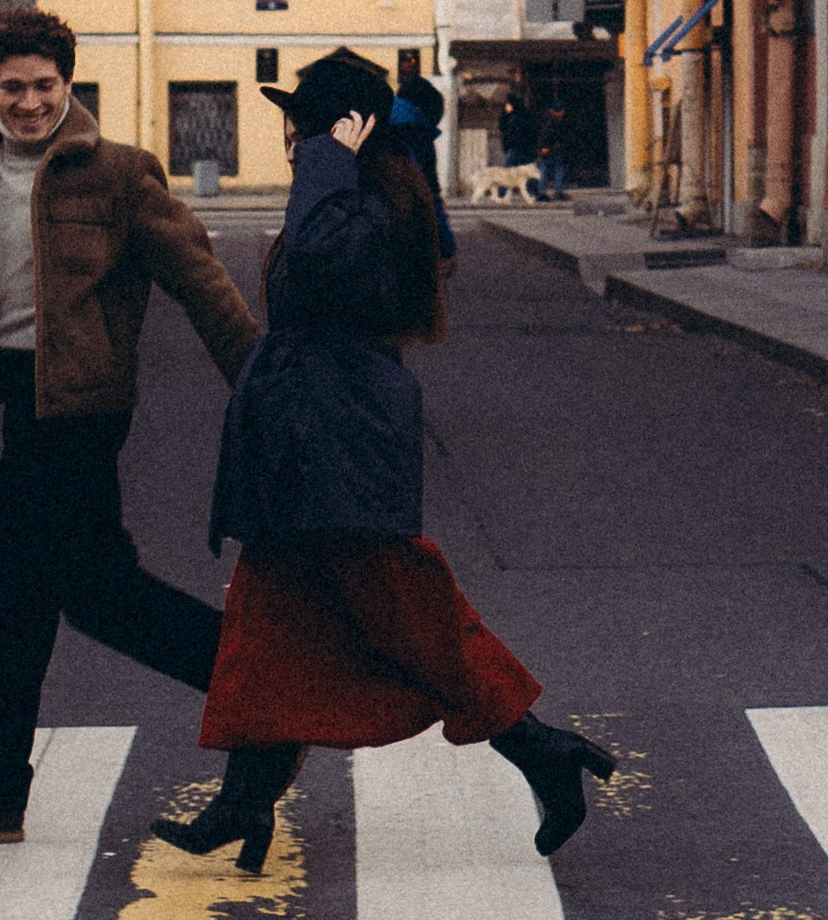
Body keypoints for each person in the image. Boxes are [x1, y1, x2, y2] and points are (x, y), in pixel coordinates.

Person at [161, 45, 614, 874]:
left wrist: (326, 163)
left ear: (347, 130)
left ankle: (542, 749)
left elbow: (320, 266)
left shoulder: (375, 203)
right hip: (303, 435)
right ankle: (243, 799)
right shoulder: (344, 194)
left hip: (342, 437)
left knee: (409, 616)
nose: (292, 142)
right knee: (269, 616)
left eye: (304, 129)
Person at [0, 9, 257, 842]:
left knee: (9, 593)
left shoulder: (118, 174)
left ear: (68, 84)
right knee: (95, 595)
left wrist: (261, 387)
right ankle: (265, 703)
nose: (29, 103)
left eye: (44, 86)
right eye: (12, 87)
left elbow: (201, 281)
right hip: (19, 398)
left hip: (83, 410)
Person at [386, 49, 457, 262]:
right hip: (399, 234)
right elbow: (429, 192)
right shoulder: (416, 134)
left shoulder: (379, 119)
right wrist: (446, 247)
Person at [533, 97, 570, 204]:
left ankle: (551, 191)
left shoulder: (549, 119)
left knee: (552, 169)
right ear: (554, 111)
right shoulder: (549, 121)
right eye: (560, 111)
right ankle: (544, 192)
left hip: (551, 148)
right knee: (547, 170)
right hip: (549, 148)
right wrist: (544, 147)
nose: (562, 113)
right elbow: (545, 135)